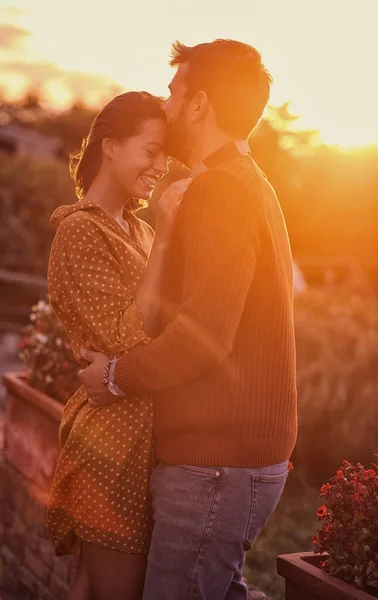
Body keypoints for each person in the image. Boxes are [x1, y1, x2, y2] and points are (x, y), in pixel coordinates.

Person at [80, 39, 298, 600]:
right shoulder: (241, 182)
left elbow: (202, 339)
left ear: (199, 104)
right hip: (228, 461)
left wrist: (113, 378)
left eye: (175, 91)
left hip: (216, 464)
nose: (166, 101)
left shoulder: (222, 191)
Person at [46, 91, 191, 600]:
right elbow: (133, 336)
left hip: (141, 441)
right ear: (109, 146)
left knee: (91, 587)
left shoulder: (139, 230)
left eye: (166, 155)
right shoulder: (80, 231)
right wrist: (171, 233)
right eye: (151, 151)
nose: (161, 166)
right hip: (112, 448)